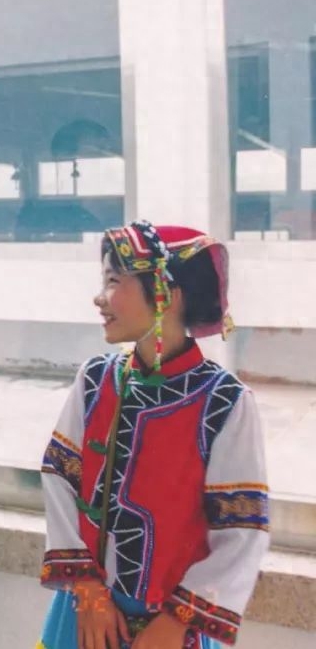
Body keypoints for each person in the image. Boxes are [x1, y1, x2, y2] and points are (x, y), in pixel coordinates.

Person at [38, 221, 270, 648]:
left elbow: (242, 528)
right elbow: (59, 476)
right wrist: (86, 589)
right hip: (85, 616)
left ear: (166, 293)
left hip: (174, 628)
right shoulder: (95, 380)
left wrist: (177, 622)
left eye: (114, 281)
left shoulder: (225, 402)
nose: (100, 298)